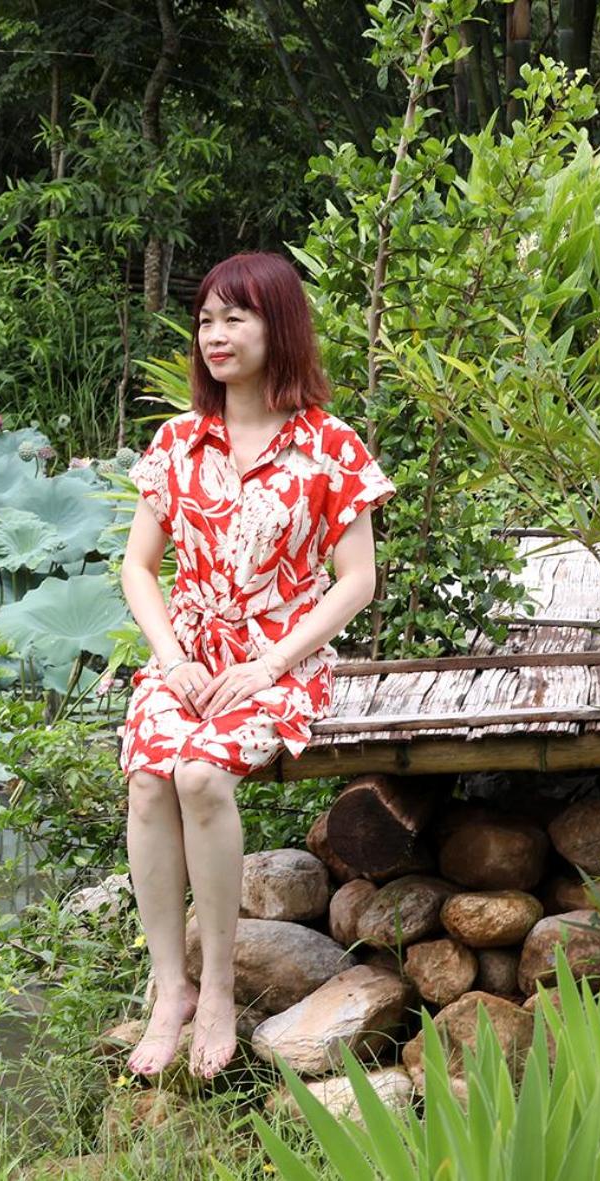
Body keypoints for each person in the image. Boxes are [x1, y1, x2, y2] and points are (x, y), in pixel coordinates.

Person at [116, 251, 395, 1080]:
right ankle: (170, 987)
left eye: (236, 317)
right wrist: (170, 659)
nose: (216, 333)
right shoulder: (177, 442)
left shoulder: (328, 445)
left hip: (281, 662)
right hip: (187, 659)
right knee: (149, 776)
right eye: (206, 318)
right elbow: (138, 567)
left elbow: (358, 579)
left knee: (201, 775)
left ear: (280, 327)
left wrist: (271, 662)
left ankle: (217, 991)